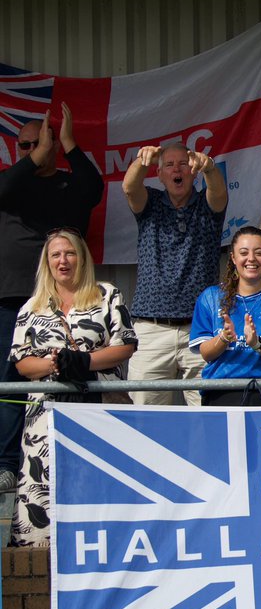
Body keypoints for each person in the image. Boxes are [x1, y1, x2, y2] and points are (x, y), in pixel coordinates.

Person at [8, 229, 137, 546]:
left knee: (101, 483)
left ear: (82, 258)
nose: (63, 260)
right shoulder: (32, 307)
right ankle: (39, 560)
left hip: (99, 408)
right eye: (55, 255)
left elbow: (126, 345)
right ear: (47, 262)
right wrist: (55, 364)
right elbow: (21, 362)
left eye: (70, 253)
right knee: (43, 487)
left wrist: (83, 361)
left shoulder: (107, 294)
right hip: (44, 417)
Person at [0, 104, 102, 493]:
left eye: (39, 143)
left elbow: (93, 188)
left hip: (64, 301)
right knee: (10, 380)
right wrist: (37, 156)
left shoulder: (68, 185)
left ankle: (71, 457)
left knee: (67, 375)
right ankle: (6, 465)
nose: (32, 150)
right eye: (25, 145)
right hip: (12, 299)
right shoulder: (11, 184)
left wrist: (69, 145)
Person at [122, 142, 227, 405]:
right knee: (145, 418)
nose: (176, 170)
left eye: (183, 164)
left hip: (201, 328)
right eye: (169, 165)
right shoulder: (150, 203)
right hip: (151, 329)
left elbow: (219, 191)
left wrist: (209, 167)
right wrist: (142, 162)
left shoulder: (206, 205)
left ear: (193, 171)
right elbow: (129, 187)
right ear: (159, 174)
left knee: (209, 413)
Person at [190, 227, 261, 406]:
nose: (251, 258)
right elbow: (206, 354)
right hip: (221, 393)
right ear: (233, 258)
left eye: (259, 253)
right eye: (243, 253)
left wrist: (257, 344)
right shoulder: (210, 297)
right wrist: (223, 338)